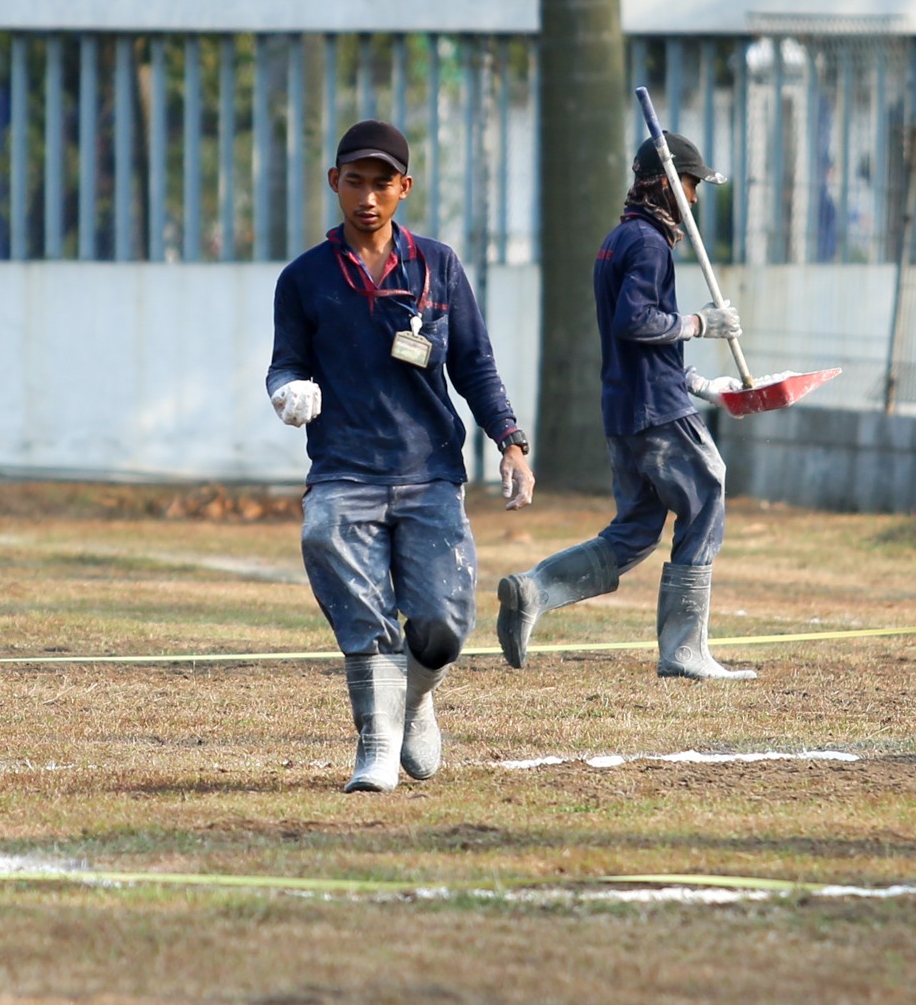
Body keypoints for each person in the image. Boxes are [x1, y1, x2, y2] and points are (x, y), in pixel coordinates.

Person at [267, 119, 536, 794]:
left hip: (429, 471)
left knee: (443, 626)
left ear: (404, 188)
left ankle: (415, 698)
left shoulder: (437, 266)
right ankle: (376, 745)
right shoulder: (304, 279)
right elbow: (285, 365)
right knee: (337, 561)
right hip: (343, 469)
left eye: (382, 183)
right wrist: (287, 393)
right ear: (335, 182)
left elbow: (475, 364)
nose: (367, 197)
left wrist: (510, 440)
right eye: (354, 181)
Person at [495, 131, 756, 681]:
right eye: (690, 183)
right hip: (655, 413)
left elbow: (637, 346)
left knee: (637, 529)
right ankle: (684, 650)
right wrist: (700, 324)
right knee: (707, 490)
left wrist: (699, 382)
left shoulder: (618, 240)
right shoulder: (649, 243)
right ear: (665, 182)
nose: (695, 195)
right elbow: (635, 323)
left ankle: (535, 589)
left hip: (629, 408)